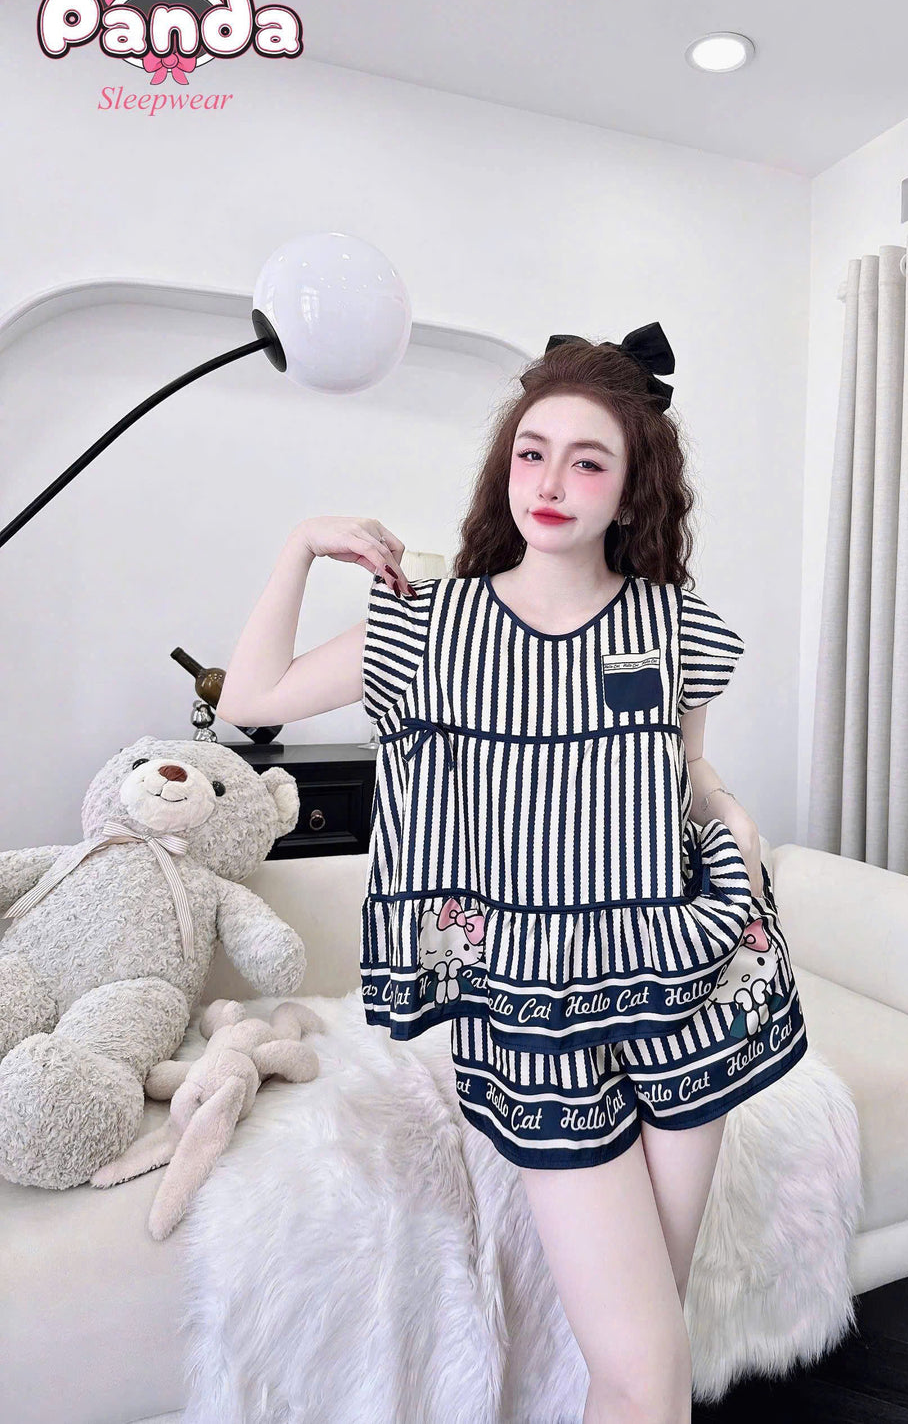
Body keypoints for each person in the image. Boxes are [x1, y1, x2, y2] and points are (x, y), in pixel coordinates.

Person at [217, 323, 808, 1424]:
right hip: (538, 1007)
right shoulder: (429, 625)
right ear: (505, 467)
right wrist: (300, 545)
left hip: (688, 978)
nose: (551, 481)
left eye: (588, 461)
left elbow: (686, 773)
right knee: (646, 1363)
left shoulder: (679, 627)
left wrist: (734, 821)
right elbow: (251, 698)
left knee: (650, 1344)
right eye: (532, 453)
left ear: (630, 490)